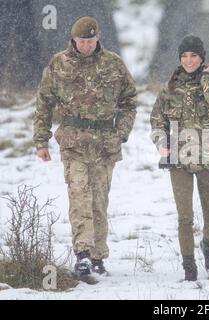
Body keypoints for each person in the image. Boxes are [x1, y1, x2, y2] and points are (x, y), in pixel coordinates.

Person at [33, 16, 137, 277]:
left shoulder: (114, 64)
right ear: (74, 40)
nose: (86, 46)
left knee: (99, 202)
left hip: (105, 144)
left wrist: (120, 133)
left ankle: (98, 256)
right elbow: (44, 103)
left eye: (90, 41)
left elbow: (129, 101)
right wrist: (40, 140)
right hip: (73, 143)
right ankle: (83, 254)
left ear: (98, 37)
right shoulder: (60, 64)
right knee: (79, 196)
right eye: (82, 41)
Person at [150, 35, 209, 281]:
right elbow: (156, 120)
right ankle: (189, 266)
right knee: (185, 217)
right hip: (180, 159)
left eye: (194, 55)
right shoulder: (169, 89)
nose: (188, 60)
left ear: (202, 58)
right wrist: (162, 143)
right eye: (184, 56)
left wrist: (205, 76)